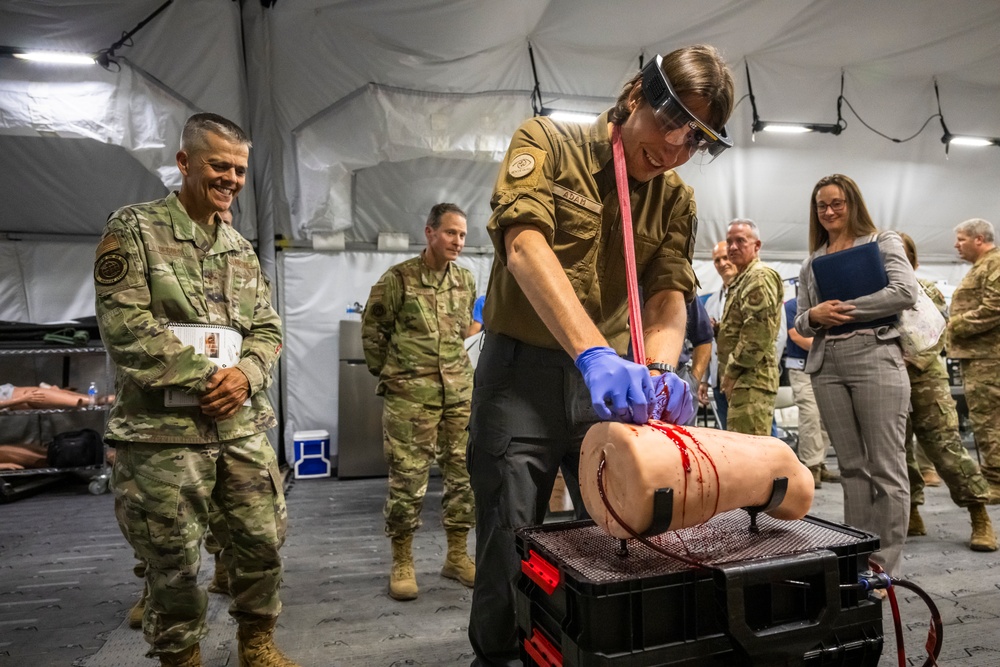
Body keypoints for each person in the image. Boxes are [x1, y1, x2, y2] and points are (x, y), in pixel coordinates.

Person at [467, 45, 735, 665]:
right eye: (672, 124)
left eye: (695, 142)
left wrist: (662, 371)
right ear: (636, 94)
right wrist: (593, 353)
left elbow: (668, 291)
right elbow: (524, 247)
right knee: (509, 539)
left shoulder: (674, 199)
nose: (674, 150)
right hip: (521, 382)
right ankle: (499, 654)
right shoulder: (549, 145)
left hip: (612, 394)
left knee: (624, 537)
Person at [95, 113, 294, 667]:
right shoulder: (134, 229)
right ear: (184, 162)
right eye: (218, 165)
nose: (231, 178)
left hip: (240, 428)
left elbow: (268, 329)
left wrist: (247, 376)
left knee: (261, 540)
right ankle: (181, 657)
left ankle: (257, 642)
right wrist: (211, 379)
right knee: (173, 559)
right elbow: (126, 328)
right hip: (163, 437)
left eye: (239, 169)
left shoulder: (241, 249)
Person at [794, 173, 918, 576]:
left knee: (886, 467)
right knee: (850, 468)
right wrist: (815, 315)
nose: (828, 212)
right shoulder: (813, 259)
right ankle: (859, 557)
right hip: (827, 363)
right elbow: (801, 317)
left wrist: (845, 309)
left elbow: (904, 292)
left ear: (853, 204)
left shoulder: (882, 242)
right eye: (821, 206)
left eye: (836, 203)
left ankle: (885, 565)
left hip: (876, 354)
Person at [361, 202, 477, 601]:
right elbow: (373, 332)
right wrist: (394, 377)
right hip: (411, 398)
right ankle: (403, 560)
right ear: (429, 232)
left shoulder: (466, 281)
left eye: (462, 234)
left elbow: (466, 331)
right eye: (450, 233)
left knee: (463, 477)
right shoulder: (398, 280)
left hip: (459, 394)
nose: (458, 241)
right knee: (408, 482)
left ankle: (457, 556)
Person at [895, 232, 995, 551]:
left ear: (911, 259)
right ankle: (911, 512)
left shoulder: (925, 290)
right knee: (897, 453)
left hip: (925, 381)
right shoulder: (873, 297)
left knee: (946, 449)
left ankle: (979, 516)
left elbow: (935, 336)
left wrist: (900, 359)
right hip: (887, 382)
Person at [716, 219, 784, 435]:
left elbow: (758, 335)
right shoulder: (742, 278)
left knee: (753, 455)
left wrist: (732, 371)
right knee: (743, 451)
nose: (733, 247)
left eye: (740, 241)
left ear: (757, 245)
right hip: (744, 380)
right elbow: (743, 327)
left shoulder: (758, 277)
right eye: (730, 242)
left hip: (752, 379)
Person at [949, 218, 1000, 504]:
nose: (957, 245)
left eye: (961, 239)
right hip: (981, 357)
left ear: (979, 239)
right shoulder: (983, 267)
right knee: (987, 420)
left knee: (988, 421)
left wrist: (954, 324)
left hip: (988, 358)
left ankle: (995, 480)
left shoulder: (994, 265)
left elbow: (995, 307)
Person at [784, 294, 838, 488]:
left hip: (827, 367)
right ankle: (810, 466)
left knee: (826, 418)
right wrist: (830, 349)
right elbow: (796, 336)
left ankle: (819, 461)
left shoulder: (830, 305)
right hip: (802, 369)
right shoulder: (792, 306)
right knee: (810, 415)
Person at [701, 241, 738, 426]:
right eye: (717, 260)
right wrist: (705, 379)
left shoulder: (752, 289)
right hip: (718, 381)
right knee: (728, 437)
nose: (722, 263)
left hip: (745, 379)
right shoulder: (711, 302)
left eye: (726, 257)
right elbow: (707, 342)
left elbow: (776, 338)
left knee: (760, 438)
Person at [678, 296, 713, 426]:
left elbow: (704, 337)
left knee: (680, 443)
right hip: (625, 377)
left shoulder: (679, 283)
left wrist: (695, 381)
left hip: (676, 378)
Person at [0, 383, 112, 410]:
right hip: (20, 398)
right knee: (86, 400)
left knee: (67, 394)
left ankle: (110, 399)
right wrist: (24, 399)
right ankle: (110, 400)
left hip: (16, 392)